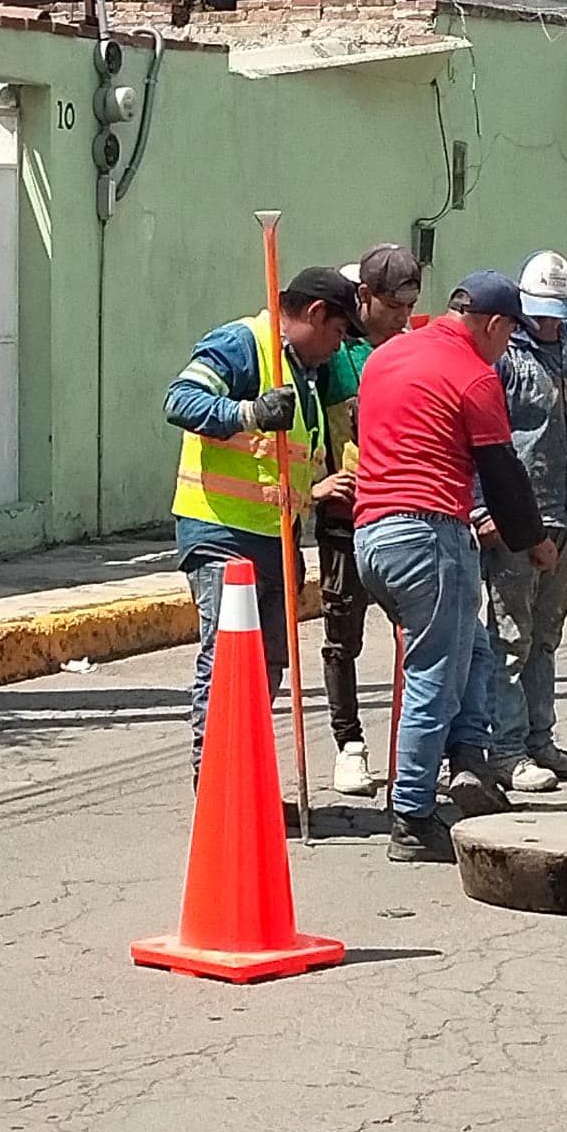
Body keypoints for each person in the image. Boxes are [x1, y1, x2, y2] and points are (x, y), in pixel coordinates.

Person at [354, 272, 558, 864]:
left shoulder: (388, 356)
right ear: (494, 325)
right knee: (433, 676)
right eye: (508, 335)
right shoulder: (473, 376)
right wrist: (534, 541)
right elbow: (501, 474)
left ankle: (470, 759)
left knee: (472, 648)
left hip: (373, 536)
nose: (507, 348)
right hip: (428, 534)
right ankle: (413, 819)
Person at [165, 267, 359, 785]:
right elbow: (180, 401)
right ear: (316, 315)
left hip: (276, 536)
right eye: (339, 333)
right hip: (221, 532)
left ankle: (242, 780)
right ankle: (217, 785)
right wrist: (249, 412)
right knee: (231, 657)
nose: (338, 348)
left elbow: (288, 460)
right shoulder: (243, 344)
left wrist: (313, 494)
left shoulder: (303, 371)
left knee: (269, 661)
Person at [477, 250, 567, 793]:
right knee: (511, 636)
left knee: (545, 635)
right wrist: (484, 508)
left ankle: (540, 739)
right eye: (538, 312)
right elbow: (485, 437)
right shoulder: (504, 353)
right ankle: (507, 749)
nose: (547, 323)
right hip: (518, 514)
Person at [316, 243, 423, 797]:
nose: (404, 318)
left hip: (404, 514)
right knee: (342, 633)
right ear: (365, 297)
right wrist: (314, 485)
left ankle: (425, 745)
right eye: (394, 306)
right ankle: (349, 744)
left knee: (421, 633)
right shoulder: (335, 353)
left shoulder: (413, 350)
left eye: (410, 307)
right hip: (344, 515)